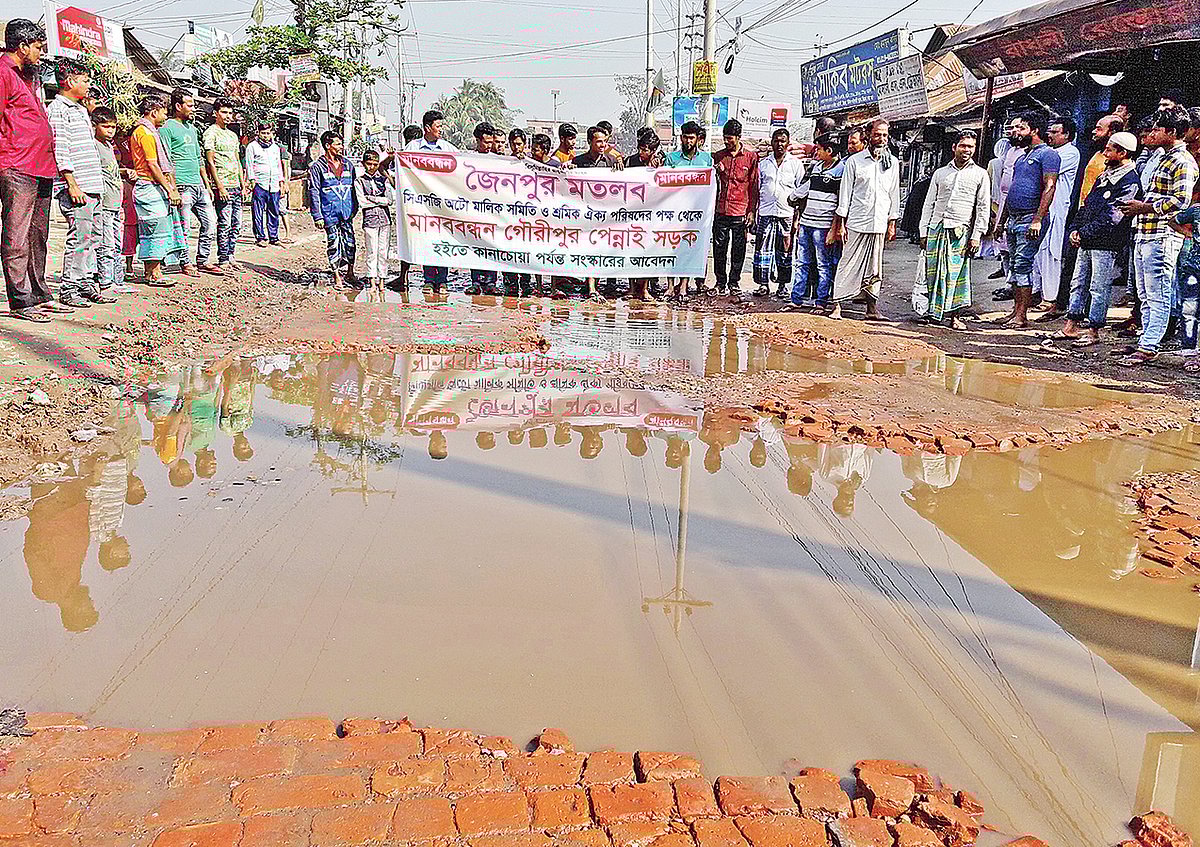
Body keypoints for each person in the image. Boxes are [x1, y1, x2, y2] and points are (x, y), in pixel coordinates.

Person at [1117, 106, 1199, 365]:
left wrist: (1145, 207)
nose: (1152, 133)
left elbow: (1182, 201)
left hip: (1163, 234)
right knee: (1144, 293)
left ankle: (1150, 344)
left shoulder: (1182, 161)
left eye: (1156, 129)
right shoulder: (1163, 158)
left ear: (1172, 132)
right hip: (1145, 232)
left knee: (1158, 292)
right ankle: (1146, 340)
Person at [1, 20, 67, 322]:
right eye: (38, 48)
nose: (41, 54)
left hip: (41, 166)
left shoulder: (29, 76)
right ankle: (20, 299)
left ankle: (39, 293)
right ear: (22, 46)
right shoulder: (3, 72)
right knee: (16, 234)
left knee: (38, 233)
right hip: (16, 164)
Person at [1060, 131, 1141, 346]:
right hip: (1087, 239)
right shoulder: (1105, 175)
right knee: (1078, 282)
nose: (1105, 152)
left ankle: (1094, 329)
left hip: (1105, 243)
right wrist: (1075, 229)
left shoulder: (1129, 181)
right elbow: (1087, 205)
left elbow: (1113, 216)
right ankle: (1071, 323)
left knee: (1098, 286)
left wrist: (1083, 232)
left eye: (1110, 149)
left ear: (1122, 153)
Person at [48, 58, 113, 308]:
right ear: (71, 81)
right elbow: (60, 148)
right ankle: (69, 287)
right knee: (79, 237)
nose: (88, 85)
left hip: (93, 185)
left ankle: (86, 282)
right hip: (78, 186)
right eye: (85, 80)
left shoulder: (80, 110)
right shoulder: (59, 109)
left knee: (93, 237)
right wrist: (71, 183)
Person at [918, 130, 990, 330]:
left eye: (970, 147)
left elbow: (982, 207)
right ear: (954, 147)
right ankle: (932, 313)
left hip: (960, 232)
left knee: (956, 275)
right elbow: (929, 204)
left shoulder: (980, 174)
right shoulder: (941, 173)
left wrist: (976, 236)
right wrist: (924, 231)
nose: (966, 150)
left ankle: (954, 316)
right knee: (932, 272)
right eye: (963, 145)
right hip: (936, 228)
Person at [994, 112, 1060, 328]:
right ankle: (1014, 312)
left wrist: (1038, 219)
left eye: (1021, 128)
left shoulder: (1048, 155)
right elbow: (1010, 191)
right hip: (1013, 219)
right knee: (1013, 267)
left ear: (1034, 130)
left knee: (1023, 265)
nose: (1016, 132)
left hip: (1030, 219)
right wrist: (1001, 222)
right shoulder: (1021, 157)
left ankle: (1022, 316)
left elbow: (1050, 187)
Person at [830, 118, 899, 319]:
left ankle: (872, 309)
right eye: (878, 134)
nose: (882, 138)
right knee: (847, 264)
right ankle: (837, 306)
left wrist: (892, 222)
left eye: (885, 135)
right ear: (869, 135)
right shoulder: (854, 162)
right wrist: (840, 225)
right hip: (857, 222)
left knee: (875, 268)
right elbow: (845, 195)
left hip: (879, 222)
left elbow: (893, 194)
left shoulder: (892, 163)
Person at [159, 88, 218, 275]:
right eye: (190, 105)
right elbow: (166, 159)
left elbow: (199, 158)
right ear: (178, 106)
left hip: (199, 185)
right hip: (182, 185)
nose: (193, 109)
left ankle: (203, 260)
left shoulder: (192, 129)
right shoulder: (167, 128)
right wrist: (172, 187)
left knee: (210, 223)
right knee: (183, 227)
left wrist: (207, 185)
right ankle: (185, 262)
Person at [131, 95, 186, 288]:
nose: (165, 116)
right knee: (155, 230)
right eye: (163, 112)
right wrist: (169, 189)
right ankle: (153, 273)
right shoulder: (145, 133)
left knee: (155, 230)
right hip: (148, 185)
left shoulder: (149, 131)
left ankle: (153, 271)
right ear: (154, 112)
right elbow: (153, 165)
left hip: (149, 186)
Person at [1030, 116, 1080, 320]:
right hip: (1042, 206)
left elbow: (1047, 173)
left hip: (1057, 206)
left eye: (1055, 132)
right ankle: (1038, 291)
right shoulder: (1049, 153)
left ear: (1067, 135)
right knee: (1038, 250)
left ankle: (1050, 297)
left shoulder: (1069, 153)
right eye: (1049, 131)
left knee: (1052, 250)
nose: (1050, 135)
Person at [788, 132, 842, 311]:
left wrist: (834, 229)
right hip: (806, 223)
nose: (816, 152)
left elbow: (841, 201)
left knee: (823, 265)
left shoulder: (841, 170)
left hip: (824, 226)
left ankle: (821, 302)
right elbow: (805, 188)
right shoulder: (816, 168)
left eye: (819, 149)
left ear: (830, 150)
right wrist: (792, 197)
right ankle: (796, 299)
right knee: (802, 262)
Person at [405, 109, 456, 293]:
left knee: (443, 240)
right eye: (438, 126)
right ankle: (428, 279)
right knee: (427, 239)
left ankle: (442, 280)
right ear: (427, 127)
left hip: (443, 205)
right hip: (422, 204)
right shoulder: (413, 148)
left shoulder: (448, 148)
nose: (441, 130)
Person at [663, 120, 712, 301]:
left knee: (689, 248)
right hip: (673, 211)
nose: (688, 141)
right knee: (671, 248)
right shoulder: (671, 159)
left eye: (691, 138)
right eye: (685, 137)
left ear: (698, 139)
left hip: (695, 213)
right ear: (681, 138)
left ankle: (683, 286)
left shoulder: (706, 159)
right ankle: (669, 286)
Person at [752, 127, 802, 299]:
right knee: (762, 249)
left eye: (783, 141)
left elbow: (801, 192)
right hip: (765, 212)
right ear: (772, 142)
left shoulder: (795, 164)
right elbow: (756, 190)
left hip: (787, 214)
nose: (779, 144)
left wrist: (797, 219)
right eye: (776, 141)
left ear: (788, 144)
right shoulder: (764, 164)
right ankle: (763, 284)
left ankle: (782, 285)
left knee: (785, 251)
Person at [711, 118, 759, 298]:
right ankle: (720, 282)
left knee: (738, 248)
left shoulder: (751, 157)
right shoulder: (718, 156)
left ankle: (734, 282)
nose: (726, 141)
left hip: (741, 210)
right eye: (725, 138)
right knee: (719, 248)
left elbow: (753, 185)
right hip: (721, 209)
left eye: (730, 138)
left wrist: (751, 211)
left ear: (738, 137)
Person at [308, 130, 357, 288]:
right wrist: (317, 216)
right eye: (338, 144)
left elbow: (355, 188)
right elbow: (314, 191)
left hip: (347, 212)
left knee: (350, 243)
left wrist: (354, 208)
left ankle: (350, 272)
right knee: (333, 243)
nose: (341, 147)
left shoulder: (348, 165)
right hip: (329, 212)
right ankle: (337, 276)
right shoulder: (317, 167)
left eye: (341, 144)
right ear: (328, 146)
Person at [204, 99, 246, 271]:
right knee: (225, 223)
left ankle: (231, 255)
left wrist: (243, 184)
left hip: (236, 184)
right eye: (224, 112)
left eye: (230, 113)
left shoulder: (233, 135)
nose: (228, 116)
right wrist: (219, 186)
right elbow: (210, 162)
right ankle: (222, 259)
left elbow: (237, 161)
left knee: (237, 223)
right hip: (223, 185)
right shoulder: (210, 133)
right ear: (216, 113)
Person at [92, 107, 125, 302]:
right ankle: (105, 282)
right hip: (103, 204)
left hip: (114, 203)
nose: (110, 130)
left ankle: (117, 281)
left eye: (113, 127)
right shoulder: (94, 146)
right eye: (106, 126)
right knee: (106, 245)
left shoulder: (108, 146)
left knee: (116, 244)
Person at [467, 121, 500, 295]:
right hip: (474, 209)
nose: (489, 146)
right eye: (486, 142)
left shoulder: (498, 160)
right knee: (476, 245)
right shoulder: (468, 159)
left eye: (491, 142)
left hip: (493, 211)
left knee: (492, 245)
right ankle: (476, 281)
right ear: (477, 141)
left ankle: (491, 282)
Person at [356, 149, 393, 298]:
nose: (372, 167)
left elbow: (389, 200)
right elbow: (362, 202)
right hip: (370, 220)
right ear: (363, 164)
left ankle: (382, 281)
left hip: (385, 219)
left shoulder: (383, 180)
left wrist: (373, 198)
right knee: (372, 252)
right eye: (369, 164)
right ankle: (372, 281)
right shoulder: (359, 181)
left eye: (375, 164)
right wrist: (379, 200)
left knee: (383, 251)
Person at [245, 122, 286, 247]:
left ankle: (274, 237)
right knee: (258, 211)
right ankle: (260, 237)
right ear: (258, 133)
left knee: (274, 210)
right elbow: (249, 164)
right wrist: (251, 181)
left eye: (268, 133)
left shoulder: (275, 148)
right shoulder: (252, 147)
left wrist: (281, 182)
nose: (266, 136)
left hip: (273, 183)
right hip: (260, 183)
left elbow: (278, 165)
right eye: (263, 133)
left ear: (272, 133)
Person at [1173, 199, 1200, 371]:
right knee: (1189, 310)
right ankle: (1190, 353)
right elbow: (1173, 221)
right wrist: (1188, 234)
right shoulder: (1196, 210)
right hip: (1194, 268)